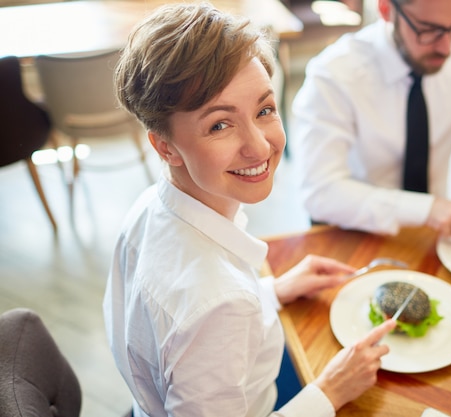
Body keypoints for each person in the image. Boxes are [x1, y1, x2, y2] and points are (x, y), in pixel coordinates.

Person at [102, 3, 396, 417]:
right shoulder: (218, 302)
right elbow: (206, 310)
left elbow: (179, 331)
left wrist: (270, 292)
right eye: (219, 125)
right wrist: (329, 392)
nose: (259, 146)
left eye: (264, 110)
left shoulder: (151, 204)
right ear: (164, 145)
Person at [290, 0, 451, 238]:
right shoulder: (334, 75)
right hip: (354, 232)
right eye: (429, 30)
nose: (447, 47)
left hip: (432, 232)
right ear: (386, 9)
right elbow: (320, 192)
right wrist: (428, 209)